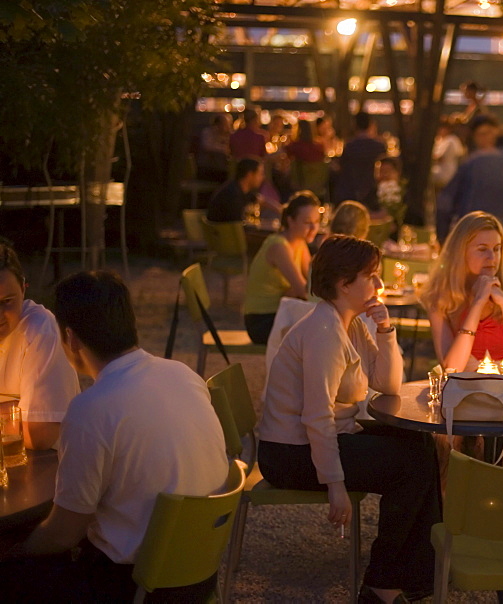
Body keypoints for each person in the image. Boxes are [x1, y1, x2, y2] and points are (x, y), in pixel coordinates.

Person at [0, 271, 229, 600]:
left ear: (71, 339)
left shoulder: (91, 408)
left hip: (137, 585)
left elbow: (63, 534)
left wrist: (17, 550)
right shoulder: (182, 374)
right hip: (198, 574)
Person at [257, 235, 440, 603]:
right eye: (371, 276)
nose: (379, 284)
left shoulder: (350, 322)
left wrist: (386, 330)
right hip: (292, 453)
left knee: (421, 444)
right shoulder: (323, 331)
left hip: (321, 438)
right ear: (343, 284)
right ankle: (382, 583)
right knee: (410, 465)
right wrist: (335, 484)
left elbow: (387, 384)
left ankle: (416, 575)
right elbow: (316, 416)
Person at [421, 211, 503, 373]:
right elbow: (451, 368)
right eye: (482, 249)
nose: (492, 257)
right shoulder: (442, 295)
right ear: (461, 252)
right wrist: (477, 304)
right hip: (462, 391)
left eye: (497, 249)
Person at [436, 118, 503, 277]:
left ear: (496, 144)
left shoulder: (474, 162)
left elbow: (444, 203)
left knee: (472, 295)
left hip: (472, 240)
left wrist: (444, 239)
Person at [0, 243, 79, 450]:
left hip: (46, 469)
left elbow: (39, 435)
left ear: (23, 288)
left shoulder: (40, 330)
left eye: (7, 301)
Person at [243, 191, 322, 344]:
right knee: (320, 329)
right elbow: (305, 291)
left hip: (281, 313)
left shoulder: (299, 242)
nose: (314, 227)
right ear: (291, 221)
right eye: (307, 222)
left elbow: (311, 282)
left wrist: (291, 293)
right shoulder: (279, 246)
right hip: (262, 320)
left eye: (317, 221)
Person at [333, 111, 386, 211]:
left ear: (355, 125)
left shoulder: (350, 146)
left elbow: (341, 167)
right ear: (371, 124)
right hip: (371, 192)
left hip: (349, 192)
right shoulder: (379, 146)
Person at [205, 157, 280, 223]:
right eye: (260, 174)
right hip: (226, 235)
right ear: (250, 174)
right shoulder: (233, 196)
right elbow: (236, 225)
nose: (262, 178)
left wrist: (280, 210)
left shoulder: (238, 189)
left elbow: (261, 200)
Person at [286, 119, 330, 200]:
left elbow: (283, 156)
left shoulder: (295, 146)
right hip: (318, 186)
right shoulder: (319, 147)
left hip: (299, 186)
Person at [197, 113, 232, 182]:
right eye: (225, 124)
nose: (228, 127)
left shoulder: (229, 136)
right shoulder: (208, 133)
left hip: (223, 169)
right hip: (208, 169)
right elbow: (207, 146)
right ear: (217, 124)